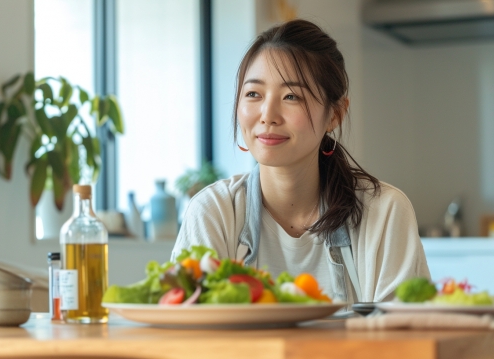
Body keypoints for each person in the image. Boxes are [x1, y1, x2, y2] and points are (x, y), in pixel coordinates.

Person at [172, 19, 430, 303]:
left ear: (335, 114)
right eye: (253, 94)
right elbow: (192, 337)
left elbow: (406, 340)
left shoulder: (385, 213)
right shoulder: (213, 213)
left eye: (291, 96)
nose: (268, 115)